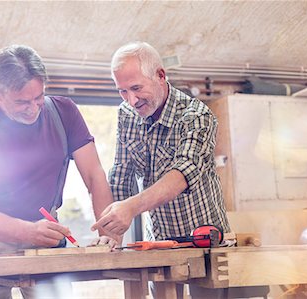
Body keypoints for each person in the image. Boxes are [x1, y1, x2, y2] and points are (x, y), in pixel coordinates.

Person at [0, 44, 115, 299]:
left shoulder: (65, 113)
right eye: (22, 102)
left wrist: (106, 235)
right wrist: (30, 231)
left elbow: (95, 176)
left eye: (38, 97)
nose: (33, 108)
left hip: (45, 235)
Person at [91, 41, 231, 298]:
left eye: (136, 88)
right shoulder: (127, 114)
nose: (131, 100)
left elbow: (181, 175)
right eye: (122, 91)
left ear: (160, 75)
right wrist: (111, 236)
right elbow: (122, 173)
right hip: (158, 239)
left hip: (203, 239)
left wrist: (131, 208)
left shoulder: (197, 115)